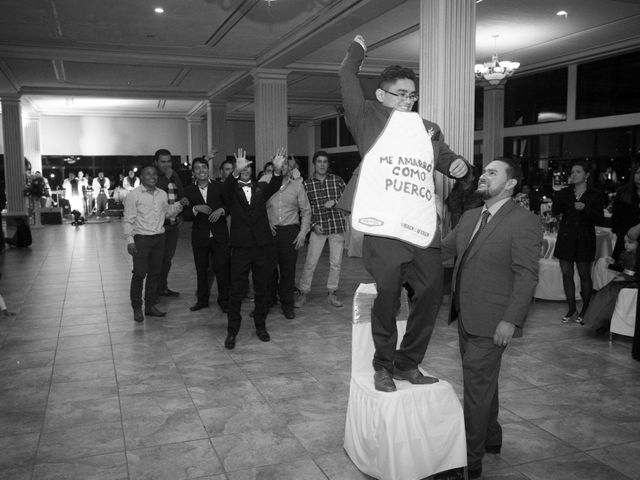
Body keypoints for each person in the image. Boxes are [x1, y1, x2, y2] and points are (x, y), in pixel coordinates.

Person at [339, 34, 470, 392]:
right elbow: (347, 78)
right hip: (384, 228)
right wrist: (357, 53)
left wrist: (458, 164)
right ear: (382, 95)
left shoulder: (427, 129)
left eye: (412, 94)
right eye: (401, 93)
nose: (409, 100)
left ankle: (407, 363)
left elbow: (445, 157)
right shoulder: (366, 117)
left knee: (430, 296)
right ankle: (382, 365)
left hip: (423, 227)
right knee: (387, 295)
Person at [442, 158, 541, 480]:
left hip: (493, 321)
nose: (483, 175)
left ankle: (469, 462)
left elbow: (526, 276)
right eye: (484, 171)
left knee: (475, 388)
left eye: (492, 173)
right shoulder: (471, 216)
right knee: (483, 384)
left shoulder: (523, 221)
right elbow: (440, 249)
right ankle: (492, 438)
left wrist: (510, 320)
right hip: (466, 316)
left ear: (510, 184)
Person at [222, 148, 285, 350]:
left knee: (263, 288)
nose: (246, 169)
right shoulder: (230, 190)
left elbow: (275, 184)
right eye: (242, 167)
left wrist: (276, 169)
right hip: (240, 248)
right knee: (236, 290)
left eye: (248, 167)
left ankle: (260, 325)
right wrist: (234, 172)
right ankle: (232, 331)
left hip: (262, 247)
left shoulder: (260, 187)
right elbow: (224, 190)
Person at [123, 165, 188, 322]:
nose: (152, 177)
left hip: (159, 239)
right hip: (141, 239)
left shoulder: (162, 194)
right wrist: (130, 241)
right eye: (148, 174)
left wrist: (180, 205)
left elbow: (167, 212)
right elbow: (128, 220)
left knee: (155, 274)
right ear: (142, 177)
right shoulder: (134, 195)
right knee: (139, 274)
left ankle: (150, 306)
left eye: (154, 174)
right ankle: (137, 308)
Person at [552, 160, 604, 324]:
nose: (573, 174)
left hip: (585, 238)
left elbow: (599, 217)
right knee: (567, 274)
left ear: (587, 175)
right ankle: (571, 308)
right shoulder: (564, 193)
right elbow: (555, 212)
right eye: (572, 172)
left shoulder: (595, 194)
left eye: (578, 172)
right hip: (566, 237)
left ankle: (585, 309)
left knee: (584, 275)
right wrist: (557, 199)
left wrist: (585, 208)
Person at [294, 151, 347, 309]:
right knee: (310, 262)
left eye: (325, 161)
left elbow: (348, 200)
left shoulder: (337, 181)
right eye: (319, 161)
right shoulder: (307, 184)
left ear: (328, 164)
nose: (322, 164)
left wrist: (336, 201)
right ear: (314, 164)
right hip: (318, 228)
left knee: (336, 263)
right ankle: (303, 292)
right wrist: (312, 225)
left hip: (336, 227)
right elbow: (304, 209)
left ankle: (332, 293)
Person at [265, 157, 311, 319]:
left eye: (286, 165)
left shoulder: (297, 186)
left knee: (288, 271)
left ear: (290, 168)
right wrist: (265, 223)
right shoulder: (266, 184)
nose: (283, 167)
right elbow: (257, 207)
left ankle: (287, 304)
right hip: (269, 231)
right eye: (280, 164)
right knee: (267, 270)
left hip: (290, 232)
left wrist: (302, 233)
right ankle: (268, 301)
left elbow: (306, 211)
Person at [182, 157, 230, 313]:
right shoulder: (188, 190)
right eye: (197, 168)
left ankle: (224, 300)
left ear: (208, 169)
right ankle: (202, 300)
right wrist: (196, 208)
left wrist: (221, 210)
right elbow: (185, 215)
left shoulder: (220, 186)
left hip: (220, 235)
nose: (201, 170)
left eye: (204, 167)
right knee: (201, 270)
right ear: (193, 172)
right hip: (200, 236)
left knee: (222, 269)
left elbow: (229, 205)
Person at [154, 148, 185, 297]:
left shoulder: (174, 175)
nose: (166, 165)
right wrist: (166, 178)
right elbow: (155, 195)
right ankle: (153, 291)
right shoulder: (152, 176)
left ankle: (162, 287)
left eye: (168, 161)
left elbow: (181, 194)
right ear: (156, 162)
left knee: (167, 259)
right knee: (157, 260)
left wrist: (182, 214)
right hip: (158, 225)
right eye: (162, 162)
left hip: (173, 224)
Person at [611, 163, 640, 266]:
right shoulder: (623, 192)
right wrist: (620, 234)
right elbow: (616, 216)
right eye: (638, 173)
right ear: (633, 174)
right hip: (624, 240)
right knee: (621, 276)